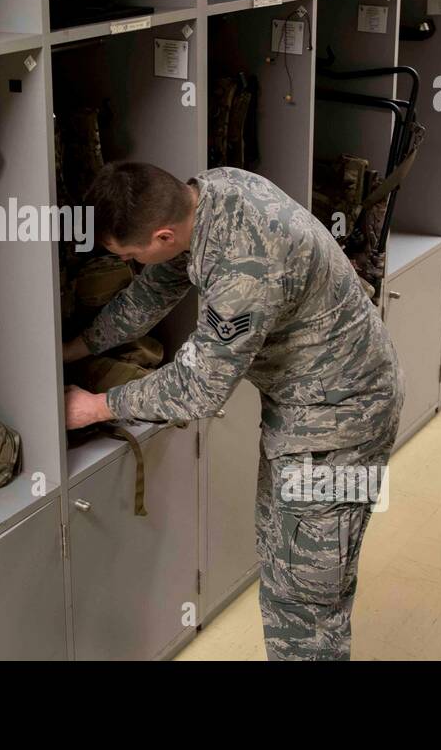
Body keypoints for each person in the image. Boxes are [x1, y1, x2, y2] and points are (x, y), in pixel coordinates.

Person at [63, 162, 402, 660]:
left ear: (162, 234)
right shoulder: (212, 191)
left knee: (303, 596)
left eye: (133, 254)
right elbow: (155, 289)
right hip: (315, 408)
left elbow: (198, 390)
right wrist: (79, 347)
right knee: (294, 567)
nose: (135, 262)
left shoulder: (245, 271)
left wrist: (95, 406)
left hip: (337, 426)